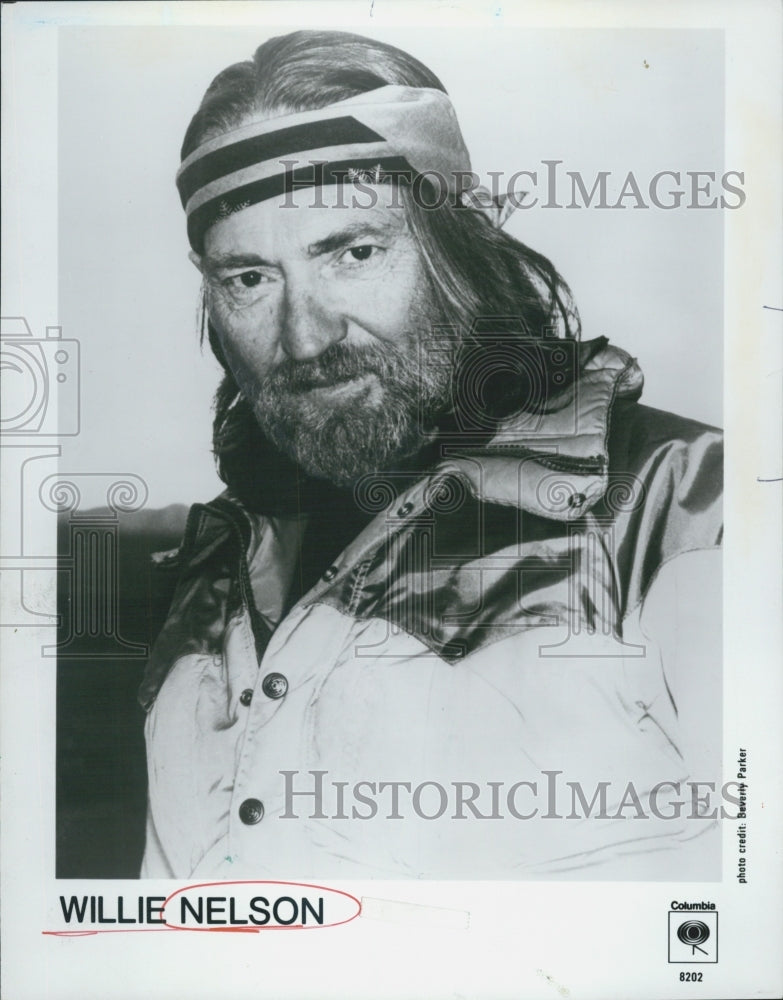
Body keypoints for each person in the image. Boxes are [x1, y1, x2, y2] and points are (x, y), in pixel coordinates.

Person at [138, 30, 723, 880]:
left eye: (355, 252)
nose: (306, 337)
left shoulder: (685, 511)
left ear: (460, 248)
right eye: (249, 280)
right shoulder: (221, 566)